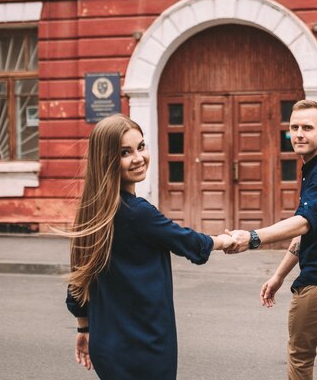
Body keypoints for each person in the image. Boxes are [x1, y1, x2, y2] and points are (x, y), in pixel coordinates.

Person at [63, 114, 235, 380]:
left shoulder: (90, 210)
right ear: (106, 160)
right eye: (125, 152)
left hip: (106, 344)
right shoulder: (136, 213)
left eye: (141, 147)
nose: (138, 158)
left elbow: (77, 281)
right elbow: (187, 241)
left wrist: (83, 329)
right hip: (144, 344)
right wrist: (227, 240)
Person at [226, 100, 317, 380]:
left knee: (300, 357)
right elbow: (307, 234)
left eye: (307, 127)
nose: (299, 134)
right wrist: (279, 276)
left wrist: (253, 237)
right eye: (294, 127)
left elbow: (303, 222)